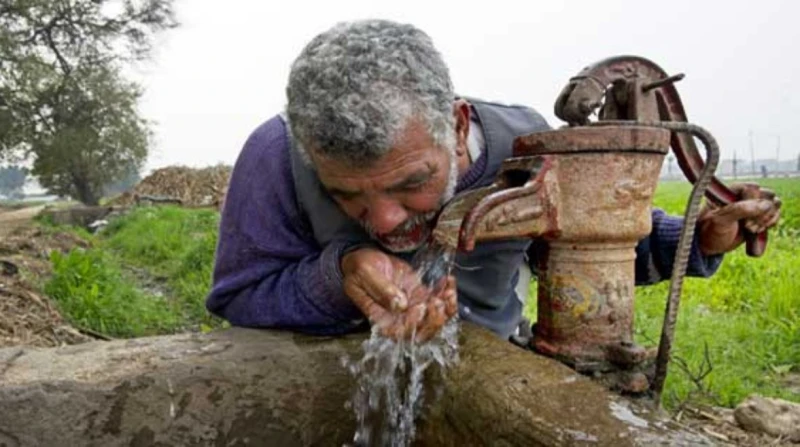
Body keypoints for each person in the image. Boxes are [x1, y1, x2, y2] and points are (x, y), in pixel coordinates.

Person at [206, 19, 781, 342]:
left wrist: (697, 240)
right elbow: (238, 297)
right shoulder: (277, 154)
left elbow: (582, 251)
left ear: (457, 128)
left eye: (411, 183)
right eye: (345, 194)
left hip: (498, 361)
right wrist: (340, 275)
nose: (383, 221)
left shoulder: (521, 145)